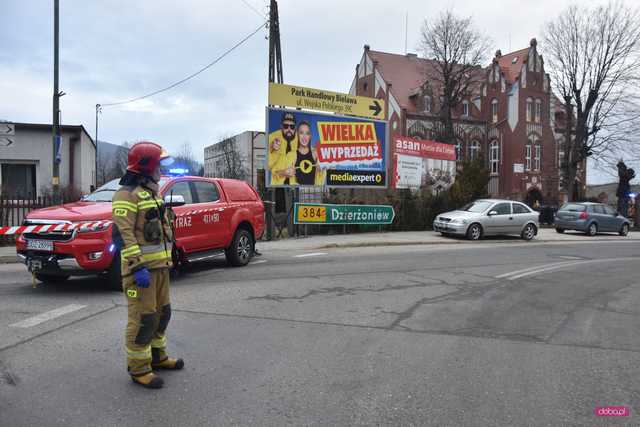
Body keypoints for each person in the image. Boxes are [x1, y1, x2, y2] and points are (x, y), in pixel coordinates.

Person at [112, 141, 184, 389]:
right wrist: (136, 266)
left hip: (160, 268)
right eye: (158, 165)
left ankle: (157, 357)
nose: (161, 170)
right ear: (146, 166)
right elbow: (122, 235)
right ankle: (139, 369)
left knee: (162, 315)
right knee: (143, 319)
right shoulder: (126, 195)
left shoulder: (153, 193)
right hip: (140, 272)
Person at [268, 112, 298, 185]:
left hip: (295, 186)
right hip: (277, 186)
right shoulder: (272, 137)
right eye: (285, 126)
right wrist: (272, 149)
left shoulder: (301, 139)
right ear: (281, 126)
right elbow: (267, 166)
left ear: (295, 128)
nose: (289, 129)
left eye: (292, 126)